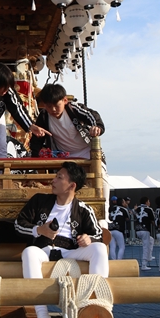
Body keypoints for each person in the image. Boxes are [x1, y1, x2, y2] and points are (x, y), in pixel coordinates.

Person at [15, 161, 108, 318]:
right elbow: (18, 225)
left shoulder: (83, 209)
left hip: (71, 251)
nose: (53, 180)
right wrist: (39, 230)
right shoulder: (39, 201)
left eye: (59, 177)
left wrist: (89, 239)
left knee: (99, 248)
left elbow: (98, 234)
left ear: (72, 185)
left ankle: (97, 307)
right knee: (29, 252)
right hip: (44, 249)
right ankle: (42, 314)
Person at [29, 83, 109, 219]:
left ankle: (103, 216)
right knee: (62, 186)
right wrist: (35, 161)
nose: (53, 109)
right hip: (64, 157)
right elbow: (36, 142)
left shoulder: (74, 109)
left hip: (86, 151)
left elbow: (93, 117)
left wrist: (97, 127)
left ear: (65, 100)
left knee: (101, 179)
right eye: (49, 106)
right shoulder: (44, 116)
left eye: (56, 105)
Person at [135, 196, 155, 271]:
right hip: (145, 229)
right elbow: (153, 219)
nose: (149, 203)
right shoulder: (149, 209)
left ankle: (149, 256)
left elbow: (134, 213)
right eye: (148, 201)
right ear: (146, 202)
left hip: (138, 229)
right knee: (145, 246)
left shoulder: (137, 209)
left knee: (151, 240)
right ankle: (144, 264)